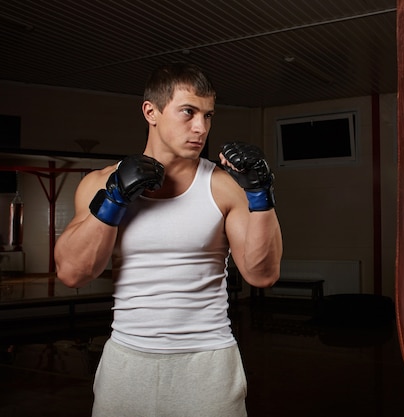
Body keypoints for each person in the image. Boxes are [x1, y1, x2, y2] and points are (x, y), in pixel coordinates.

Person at [54, 62, 283, 417]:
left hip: (207, 362)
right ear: (152, 112)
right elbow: (72, 273)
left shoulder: (223, 186)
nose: (200, 127)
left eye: (208, 116)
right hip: (127, 361)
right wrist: (112, 201)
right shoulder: (101, 182)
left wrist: (261, 195)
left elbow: (262, 274)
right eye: (188, 112)